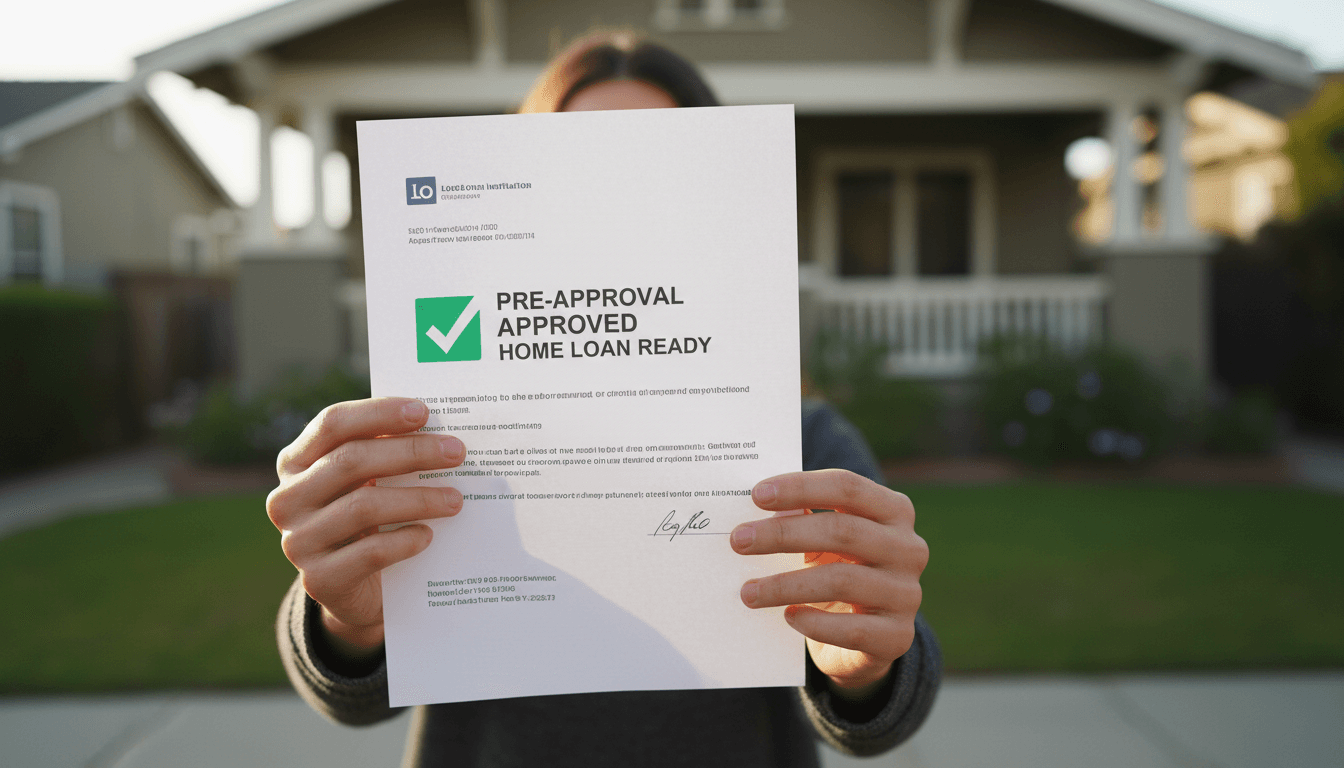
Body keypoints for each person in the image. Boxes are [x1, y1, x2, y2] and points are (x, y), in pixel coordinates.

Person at [268, 31, 940, 768]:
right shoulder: (437, 437)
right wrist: (346, 621)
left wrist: (867, 664)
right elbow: (351, 696)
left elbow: (884, 709)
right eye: (581, 163)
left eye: (651, 164)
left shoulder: (803, 443)